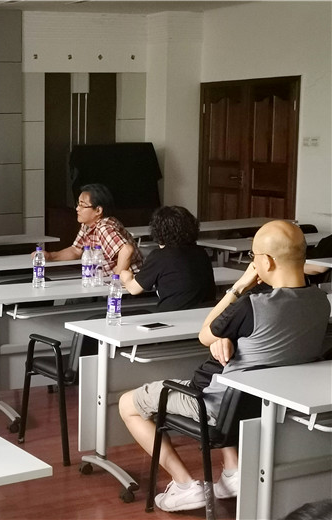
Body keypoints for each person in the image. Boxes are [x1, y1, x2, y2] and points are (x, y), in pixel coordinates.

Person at [118, 220, 330, 513]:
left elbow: (205, 333)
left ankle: (185, 485)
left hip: (215, 405)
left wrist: (238, 287)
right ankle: (233, 471)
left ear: (266, 262)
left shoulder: (252, 304)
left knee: (128, 404)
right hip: (267, 403)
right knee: (225, 374)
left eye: (254, 256)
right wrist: (229, 338)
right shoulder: (321, 301)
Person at [120, 206, 216, 311]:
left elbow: (134, 289)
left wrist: (126, 277)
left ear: (158, 231)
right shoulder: (201, 252)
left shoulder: (159, 256)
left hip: (173, 315)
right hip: (206, 313)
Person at [39, 183, 142, 277]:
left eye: (82, 205)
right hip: (102, 279)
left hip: (129, 282)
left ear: (98, 210)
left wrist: (116, 280)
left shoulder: (104, 228)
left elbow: (126, 250)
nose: (77, 209)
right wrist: (50, 256)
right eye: (78, 204)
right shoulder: (87, 225)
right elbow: (76, 250)